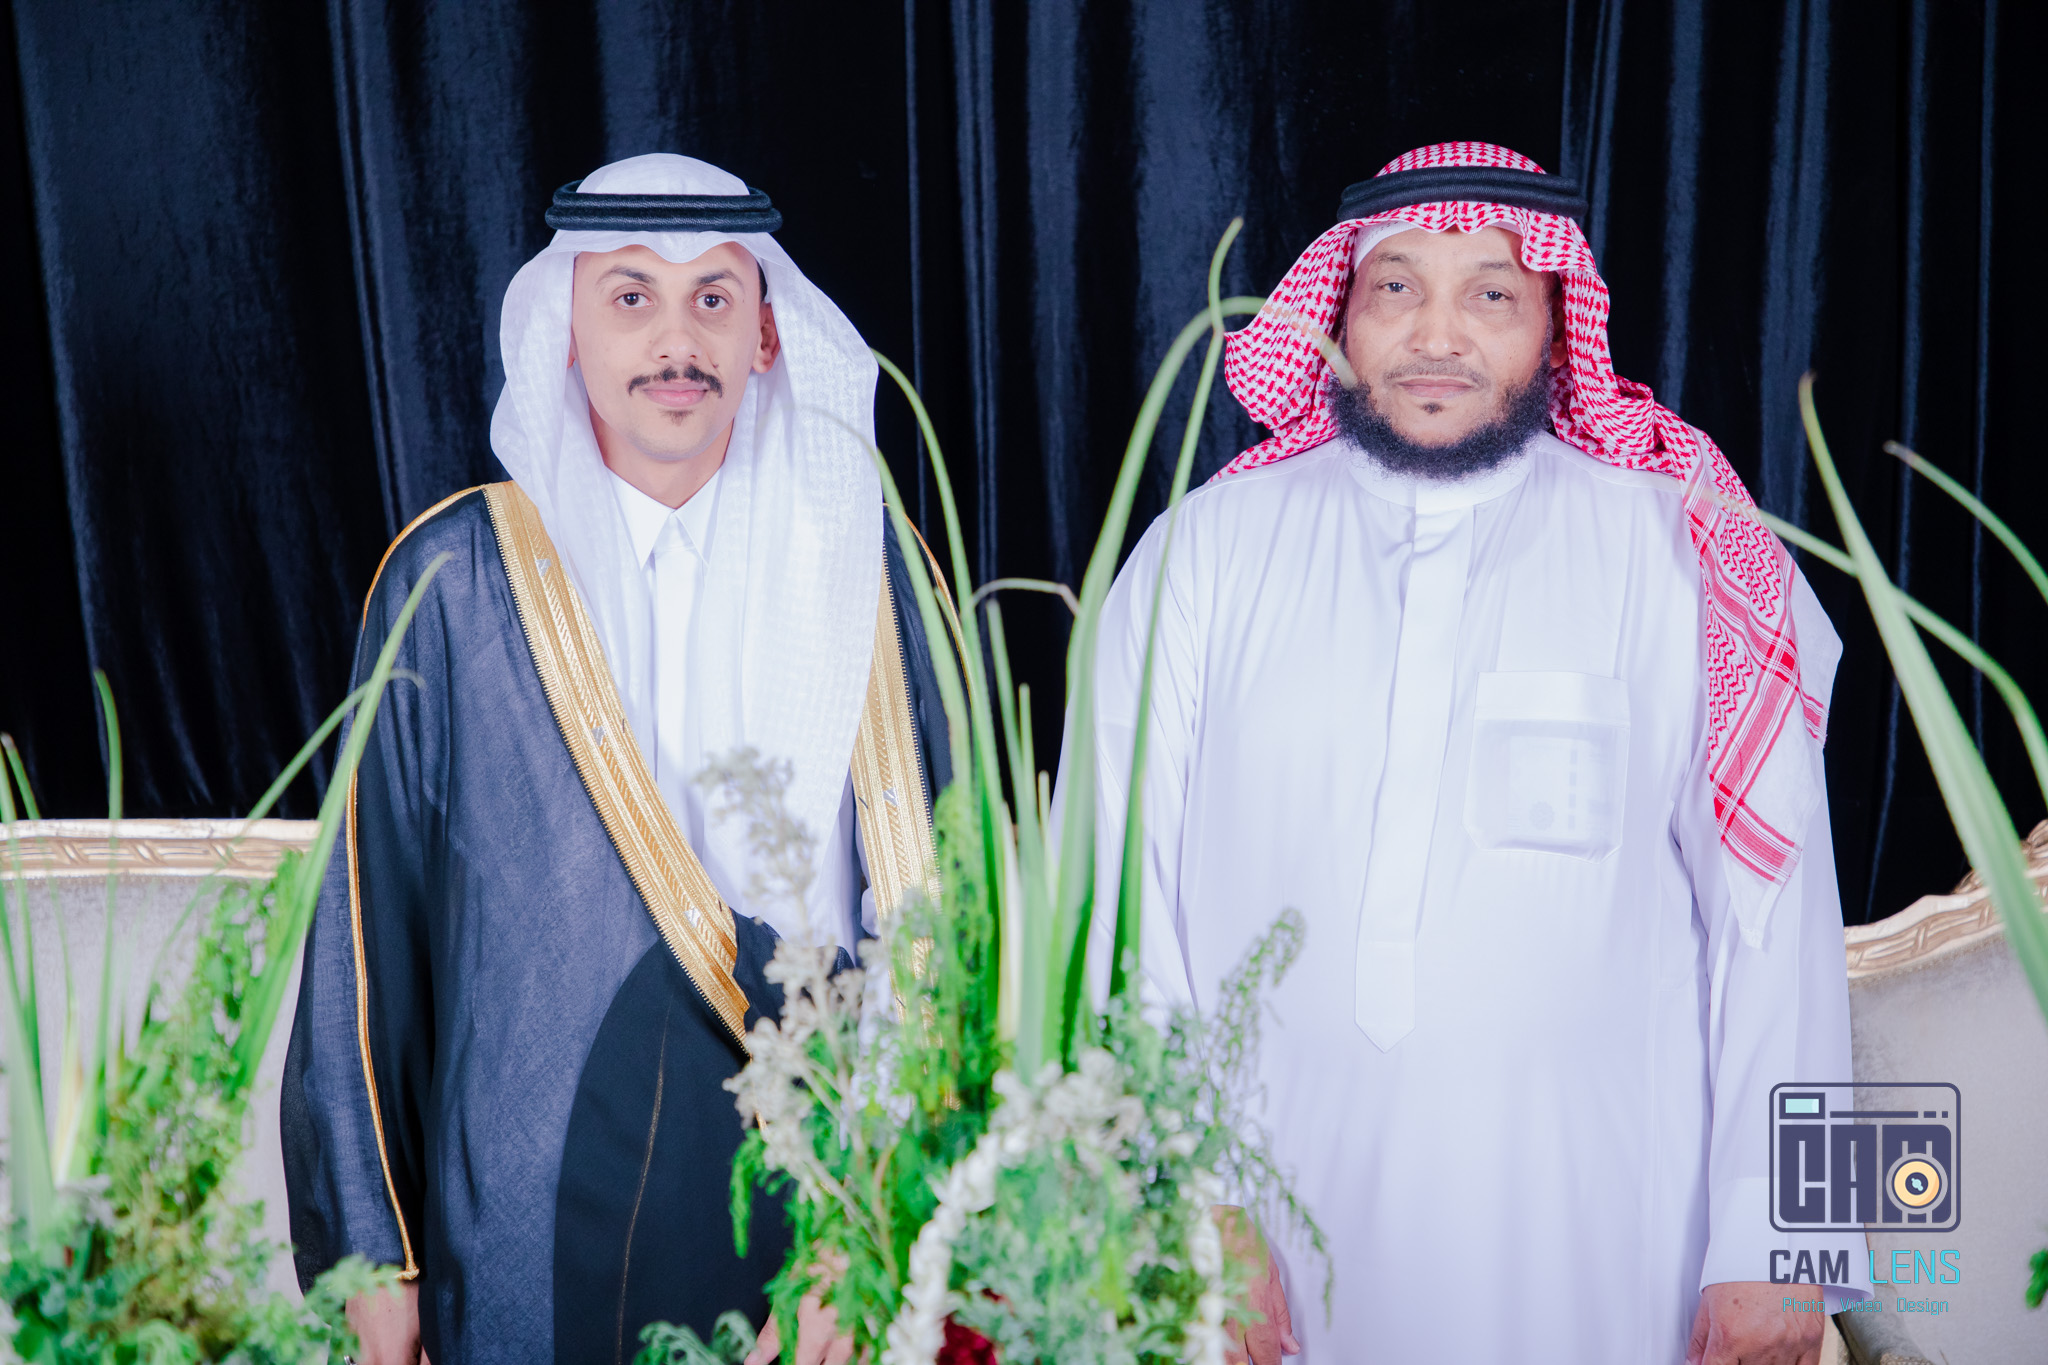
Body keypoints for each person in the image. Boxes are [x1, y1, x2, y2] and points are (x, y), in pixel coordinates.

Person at [1088, 142, 1870, 1363]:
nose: (1434, 335)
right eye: (1395, 288)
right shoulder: (1201, 556)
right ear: (1338, 317)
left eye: (1490, 294)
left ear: (1556, 330)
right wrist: (1186, 1206)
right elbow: (1116, 902)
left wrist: (1788, 1244)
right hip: (1255, 1251)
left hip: (1614, 1246)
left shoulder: (1680, 550)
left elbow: (1781, 928)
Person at [283, 154, 949, 1365]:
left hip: (825, 1215)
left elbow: (945, 911)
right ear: (566, 333)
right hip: (531, 1206)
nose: (675, 342)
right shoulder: (454, 583)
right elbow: (365, 937)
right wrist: (372, 1254)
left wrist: (885, 1226)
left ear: (766, 337)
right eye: (631, 297)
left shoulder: (871, 565)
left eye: (713, 299)